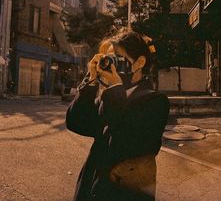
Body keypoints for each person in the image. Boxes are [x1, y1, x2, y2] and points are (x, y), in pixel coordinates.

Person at [66, 30, 170, 201]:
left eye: (116, 59)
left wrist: (115, 89)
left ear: (140, 62)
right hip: (90, 188)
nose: (110, 65)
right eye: (107, 60)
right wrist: (90, 82)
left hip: (123, 193)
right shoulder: (108, 97)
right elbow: (76, 123)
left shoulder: (156, 101)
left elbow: (128, 141)